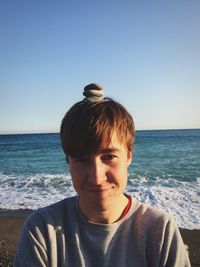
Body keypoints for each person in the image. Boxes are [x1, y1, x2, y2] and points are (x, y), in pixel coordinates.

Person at [14, 83, 191, 267]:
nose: (97, 178)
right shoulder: (42, 230)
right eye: (82, 159)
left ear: (129, 155)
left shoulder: (159, 230)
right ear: (68, 161)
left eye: (109, 156)